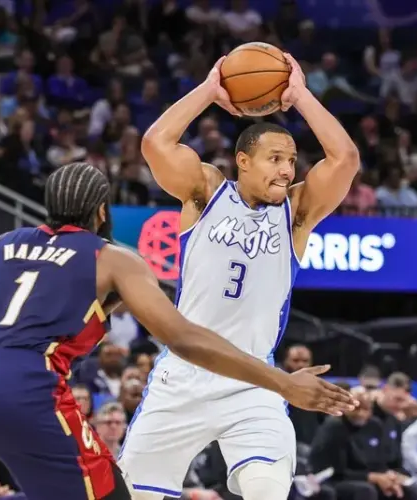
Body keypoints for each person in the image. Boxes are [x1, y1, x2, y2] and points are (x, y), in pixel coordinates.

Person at [0, 163, 356, 500]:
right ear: (101, 211)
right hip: (25, 390)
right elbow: (185, 339)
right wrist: (283, 383)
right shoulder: (112, 259)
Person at [118, 52, 360, 500]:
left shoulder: (296, 213)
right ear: (243, 161)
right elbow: (155, 143)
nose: (287, 170)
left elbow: (344, 158)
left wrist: (300, 96)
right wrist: (210, 90)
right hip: (182, 377)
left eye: (291, 160)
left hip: (255, 382)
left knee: (268, 491)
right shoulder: (205, 190)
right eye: (274, 158)